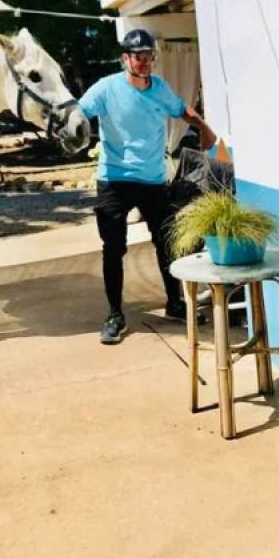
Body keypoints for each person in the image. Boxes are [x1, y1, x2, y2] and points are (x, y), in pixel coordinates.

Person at [79, 28, 217, 344]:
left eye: (148, 56)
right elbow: (79, 113)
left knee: (167, 241)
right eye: (137, 56)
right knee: (113, 249)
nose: (144, 62)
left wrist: (203, 128)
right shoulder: (106, 89)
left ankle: (175, 303)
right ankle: (115, 314)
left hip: (153, 181)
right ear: (124, 58)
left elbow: (182, 109)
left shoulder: (160, 88)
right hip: (114, 180)